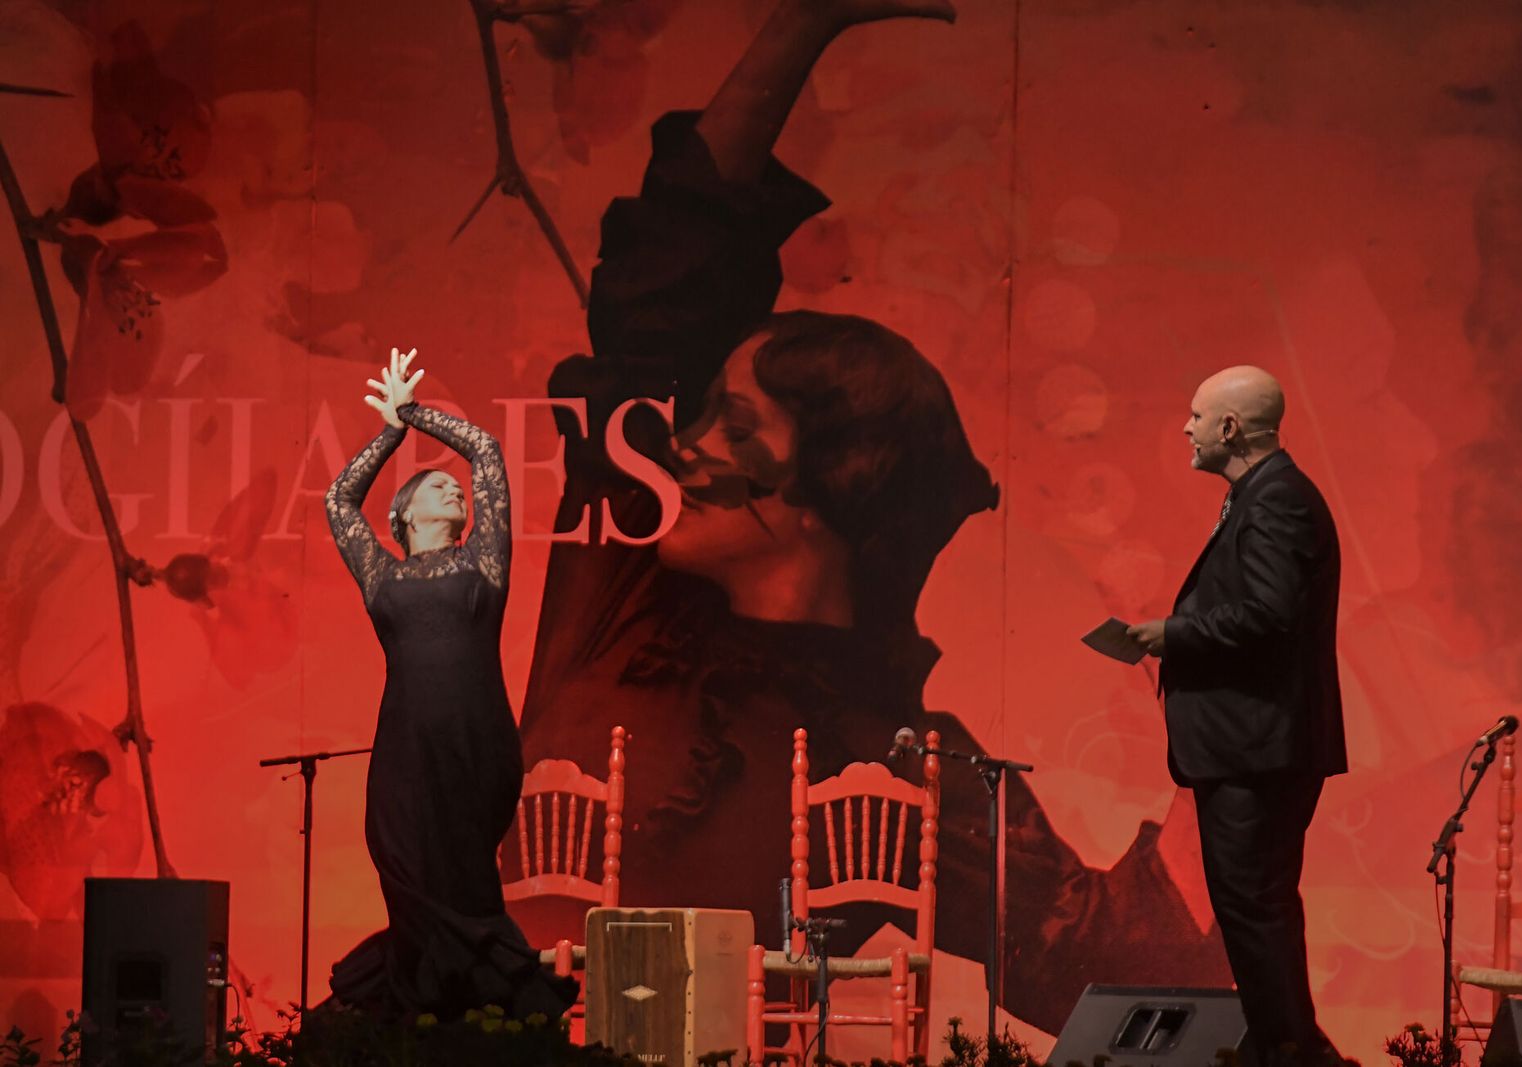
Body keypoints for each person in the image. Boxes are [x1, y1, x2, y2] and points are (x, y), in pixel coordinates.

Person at [514, 0, 1231, 1033]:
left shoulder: (899, 763)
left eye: (731, 422)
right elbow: (658, 286)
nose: (683, 439)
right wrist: (797, 27)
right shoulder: (627, 597)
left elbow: (1112, 969)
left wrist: (1221, 733)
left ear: (828, 497)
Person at [322, 347, 575, 1019]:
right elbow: (339, 498)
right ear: (403, 516)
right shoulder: (380, 573)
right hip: (403, 754)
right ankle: (420, 1020)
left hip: (477, 746)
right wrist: (390, 434)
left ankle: (485, 1016)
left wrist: (418, 411)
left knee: (466, 883)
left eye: (456, 489)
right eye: (438, 487)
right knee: (411, 883)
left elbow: (486, 453)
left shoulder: (483, 564)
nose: (456, 489)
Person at [1127, 365, 1347, 1066]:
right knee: (1257, 907)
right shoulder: (1262, 495)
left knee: (1256, 906)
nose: (1186, 429)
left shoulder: (1276, 499)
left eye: (1195, 416)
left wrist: (1173, 634)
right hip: (1255, 745)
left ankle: (1292, 1051)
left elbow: (1268, 613)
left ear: (1230, 428)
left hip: (1260, 748)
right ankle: (1284, 1045)